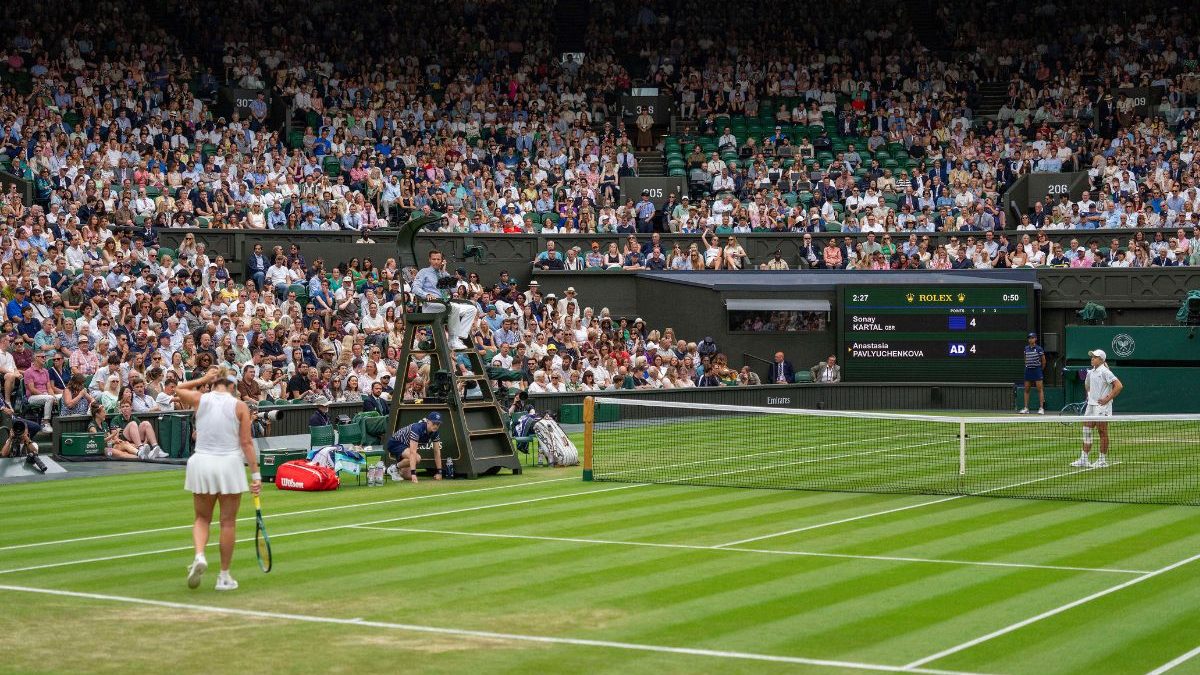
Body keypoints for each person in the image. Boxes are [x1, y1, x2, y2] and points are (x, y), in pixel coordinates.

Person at [177, 367, 261, 592]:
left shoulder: (200, 398)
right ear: (232, 386)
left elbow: (178, 389)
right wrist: (256, 474)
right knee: (228, 522)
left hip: (202, 464)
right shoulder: (240, 405)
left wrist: (202, 379)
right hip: (228, 465)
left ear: (213, 383)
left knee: (202, 518)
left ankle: (199, 555)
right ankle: (223, 576)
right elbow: (247, 443)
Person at [412, 249, 478, 350]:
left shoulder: (443, 273)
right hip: (431, 305)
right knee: (454, 307)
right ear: (429, 260)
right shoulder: (423, 272)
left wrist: (444, 272)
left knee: (472, 309)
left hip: (445, 304)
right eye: (434, 259)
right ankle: (452, 340)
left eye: (438, 259)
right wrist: (426, 294)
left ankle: (458, 337)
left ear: (442, 261)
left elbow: (454, 289)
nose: (436, 261)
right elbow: (415, 288)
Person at [1072, 349, 1122, 469]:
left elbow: (1119, 386)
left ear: (1101, 359)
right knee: (1086, 431)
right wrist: (1089, 397)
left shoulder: (1105, 372)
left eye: (1095, 357)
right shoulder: (1090, 372)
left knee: (1102, 432)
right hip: (1091, 406)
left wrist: (1107, 398)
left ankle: (1102, 460)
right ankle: (1084, 459)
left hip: (1102, 407)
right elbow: (1087, 386)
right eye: (1092, 357)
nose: (1092, 358)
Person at [386, 412, 444, 483]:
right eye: (434, 423)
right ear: (428, 422)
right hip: (395, 443)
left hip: (406, 446)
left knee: (408, 476)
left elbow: (437, 451)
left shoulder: (435, 432)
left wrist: (439, 472)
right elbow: (412, 452)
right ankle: (393, 469)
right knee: (417, 458)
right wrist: (414, 474)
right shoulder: (417, 428)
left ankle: (387, 470)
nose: (436, 426)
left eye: (438, 424)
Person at [1021, 332, 1046, 414]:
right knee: (1026, 389)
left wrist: (1039, 369)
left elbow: (1043, 361)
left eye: (1032, 338)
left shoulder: (1039, 349)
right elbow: (1025, 359)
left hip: (1037, 370)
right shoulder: (1026, 348)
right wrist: (1028, 365)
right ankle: (1026, 408)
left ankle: (1041, 408)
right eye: (1029, 338)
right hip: (1028, 370)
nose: (1030, 339)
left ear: (1035, 339)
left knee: (1040, 389)